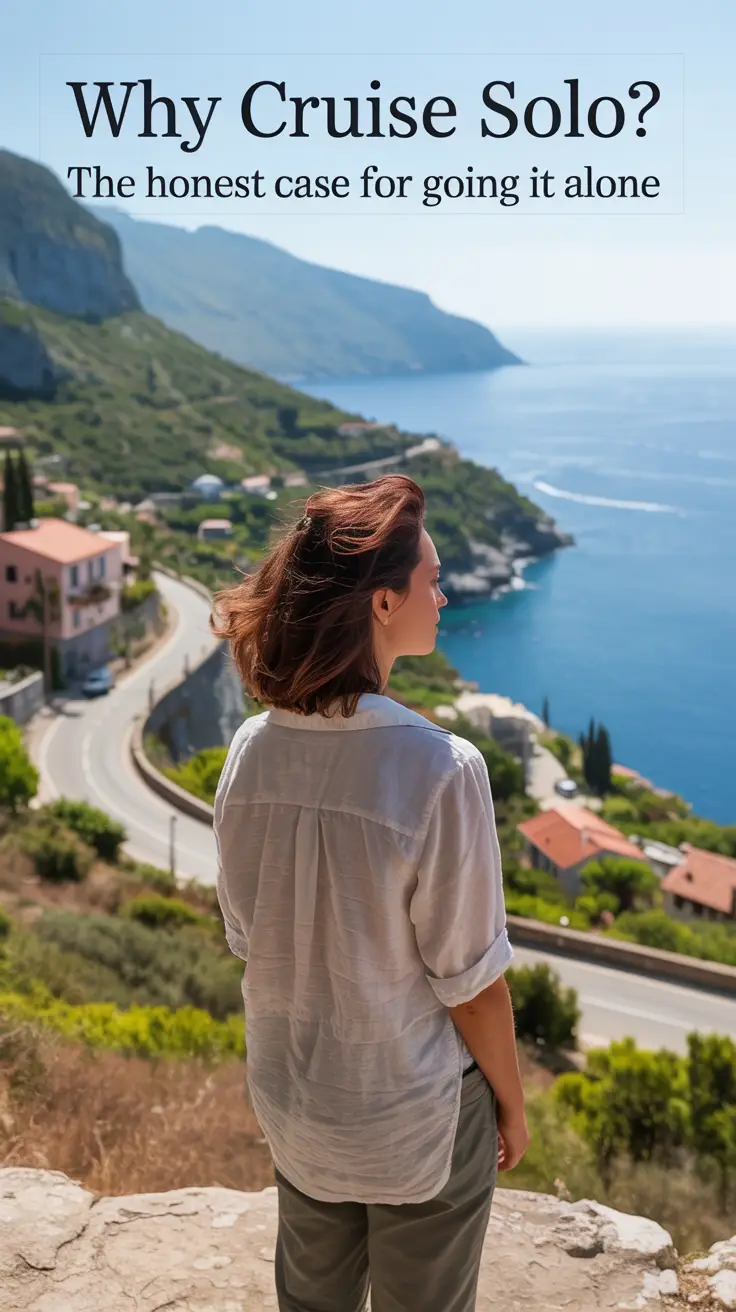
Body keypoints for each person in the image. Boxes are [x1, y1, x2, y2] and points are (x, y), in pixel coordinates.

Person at [213, 473, 529, 1312]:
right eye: (429, 579)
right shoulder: (440, 768)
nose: (445, 593)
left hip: (298, 1100)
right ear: (383, 604)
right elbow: (472, 985)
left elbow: (248, 933)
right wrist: (511, 1104)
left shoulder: (251, 749)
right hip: (413, 1118)